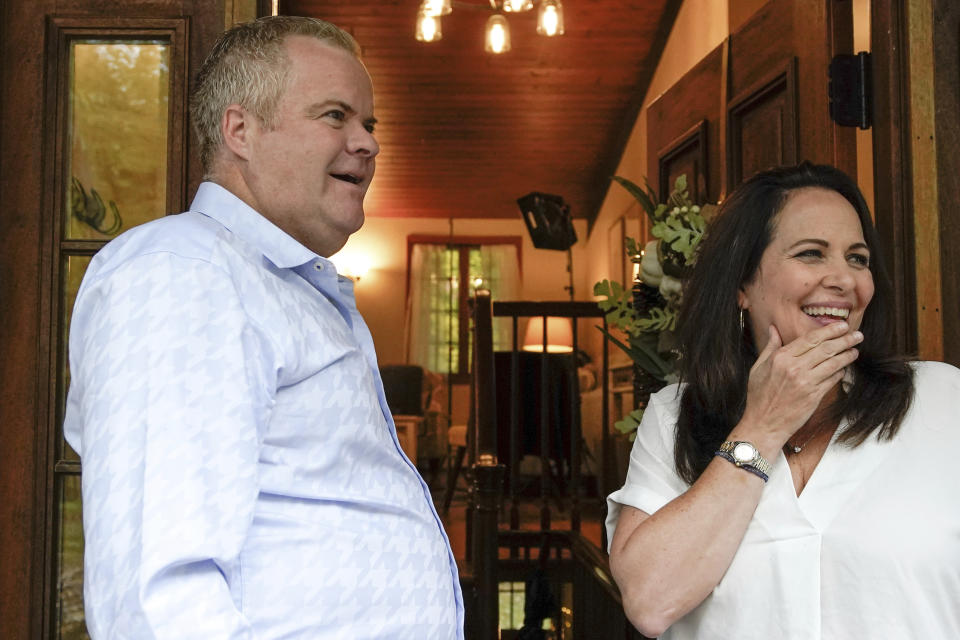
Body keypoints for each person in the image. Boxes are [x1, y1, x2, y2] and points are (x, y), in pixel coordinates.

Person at [64, 16, 462, 639]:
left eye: (369, 124)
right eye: (336, 115)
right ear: (241, 130)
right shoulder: (184, 272)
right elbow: (155, 598)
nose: (368, 143)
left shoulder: (272, 283)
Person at [606, 162, 960, 639]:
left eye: (858, 258)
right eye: (812, 254)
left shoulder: (941, 399)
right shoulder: (676, 415)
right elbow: (649, 603)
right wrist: (763, 426)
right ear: (742, 286)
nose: (844, 279)